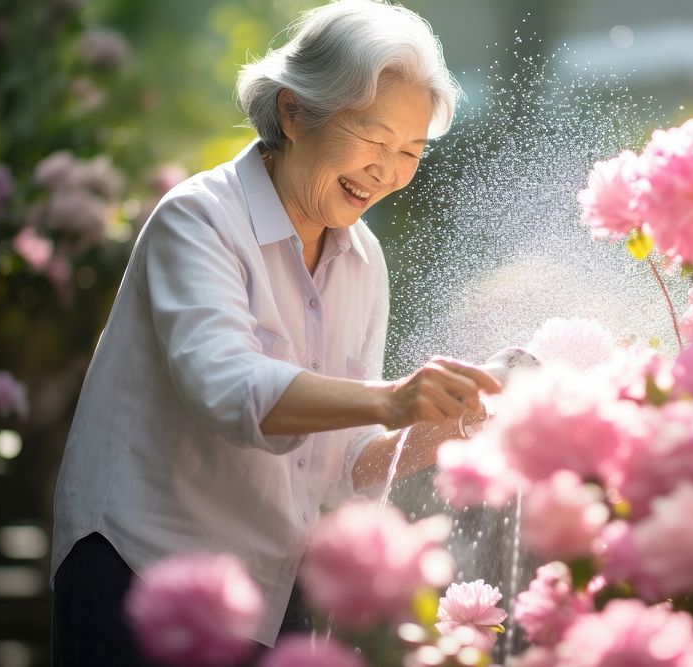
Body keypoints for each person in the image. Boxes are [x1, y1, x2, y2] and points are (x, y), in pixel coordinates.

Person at [50, 2, 501, 664]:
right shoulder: (199, 221)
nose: (388, 171)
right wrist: (390, 397)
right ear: (294, 111)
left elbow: (344, 462)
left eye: (409, 151)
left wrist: (442, 427)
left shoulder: (362, 259)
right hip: (141, 569)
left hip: (268, 590)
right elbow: (227, 388)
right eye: (374, 139)